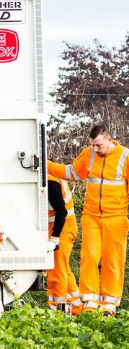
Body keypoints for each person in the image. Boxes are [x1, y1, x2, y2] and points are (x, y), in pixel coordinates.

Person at [48, 125, 129, 314]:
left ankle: (109, 305)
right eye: (92, 145)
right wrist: (46, 165)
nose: (95, 149)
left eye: (98, 145)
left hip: (116, 217)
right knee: (89, 257)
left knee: (112, 260)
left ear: (109, 140)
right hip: (91, 216)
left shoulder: (125, 157)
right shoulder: (89, 154)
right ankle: (90, 302)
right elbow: (72, 173)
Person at [46, 178, 80, 314]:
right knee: (63, 268)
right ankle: (76, 307)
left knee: (56, 269)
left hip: (62, 228)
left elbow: (61, 211)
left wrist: (55, 238)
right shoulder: (52, 177)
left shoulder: (50, 183)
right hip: (63, 226)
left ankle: (58, 311)